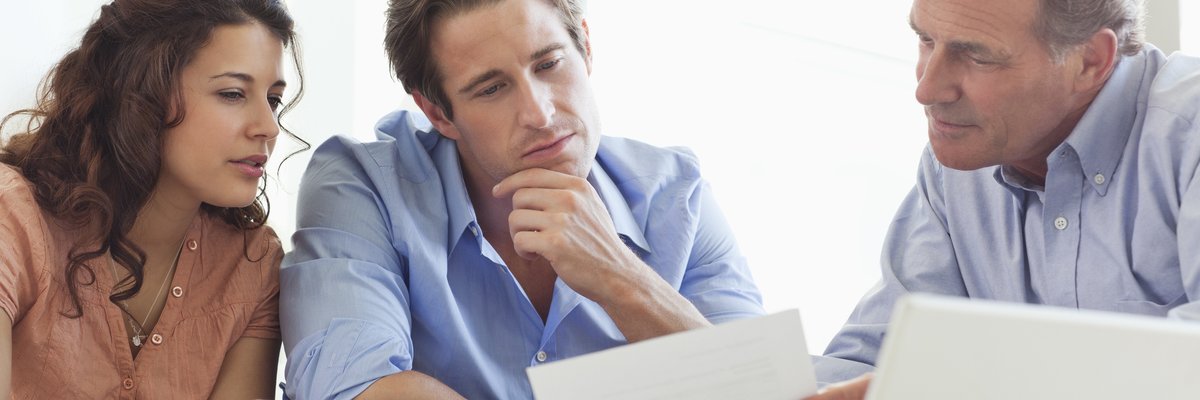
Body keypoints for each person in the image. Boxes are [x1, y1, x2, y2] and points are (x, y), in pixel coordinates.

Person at [278, 0, 765, 398]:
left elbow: (759, 389)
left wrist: (620, 277)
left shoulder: (679, 195)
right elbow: (354, 389)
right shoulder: (367, 185)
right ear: (437, 113)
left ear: (586, 48)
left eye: (549, 64)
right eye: (491, 89)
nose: (539, 112)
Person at [809, 0, 1200, 397]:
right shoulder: (963, 162)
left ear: (1089, 61)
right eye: (925, 39)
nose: (927, 89)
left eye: (977, 56)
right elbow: (873, 358)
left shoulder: (1189, 137)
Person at [0, 0, 303, 397]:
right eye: (232, 94)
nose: (268, 127)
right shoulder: (16, 220)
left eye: (274, 100)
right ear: (141, 92)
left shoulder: (250, 266)